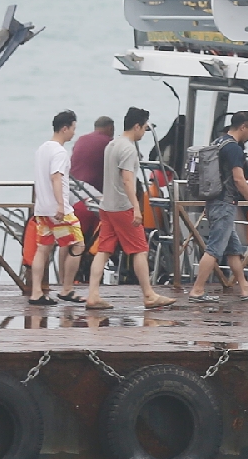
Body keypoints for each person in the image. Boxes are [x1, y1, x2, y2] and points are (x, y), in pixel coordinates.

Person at [85, 107, 175, 310]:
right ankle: (149, 294)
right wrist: (136, 207)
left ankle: (93, 294)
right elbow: (127, 180)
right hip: (122, 206)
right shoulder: (128, 149)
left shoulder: (112, 144)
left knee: (104, 250)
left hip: (107, 206)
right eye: (143, 128)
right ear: (136, 126)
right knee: (140, 249)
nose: (143, 133)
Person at [187, 110, 248, 304]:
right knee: (214, 249)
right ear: (243, 127)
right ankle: (197, 290)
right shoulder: (233, 148)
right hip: (224, 204)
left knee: (233, 248)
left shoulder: (218, 142)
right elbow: (238, 178)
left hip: (214, 202)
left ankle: (244, 287)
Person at [26, 110, 87, 306]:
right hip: (58, 209)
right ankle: (67, 288)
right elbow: (56, 177)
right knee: (78, 244)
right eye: (73, 128)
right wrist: (61, 204)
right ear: (65, 128)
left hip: (42, 208)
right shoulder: (60, 152)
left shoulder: (41, 149)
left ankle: (36, 292)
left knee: (42, 249)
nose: (74, 133)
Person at [71, 115, 115, 191]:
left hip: (73, 184)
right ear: (110, 128)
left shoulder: (81, 139)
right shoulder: (108, 142)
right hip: (92, 188)